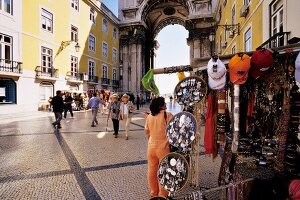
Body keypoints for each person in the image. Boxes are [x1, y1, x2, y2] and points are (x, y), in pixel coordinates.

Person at [144, 97, 173, 198]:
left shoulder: (149, 116)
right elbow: (173, 131)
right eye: (164, 103)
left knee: (152, 170)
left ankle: (153, 192)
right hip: (163, 148)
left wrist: (151, 141)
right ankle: (162, 194)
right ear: (161, 105)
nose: (166, 104)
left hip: (151, 148)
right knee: (163, 171)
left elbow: (146, 131)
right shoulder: (167, 115)